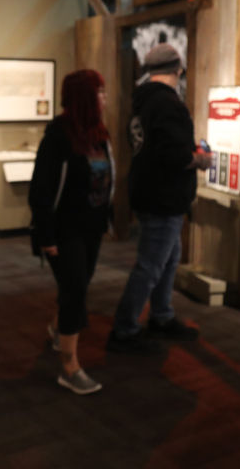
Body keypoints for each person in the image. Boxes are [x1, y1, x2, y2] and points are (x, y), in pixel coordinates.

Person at [107, 43, 212, 353]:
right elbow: (175, 155)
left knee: (167, 259)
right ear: (177, 70)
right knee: (152, 264)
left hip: (147, 190)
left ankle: (161, 315)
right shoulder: (168, 105)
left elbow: (149, 148)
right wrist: (201, 159)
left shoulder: (141, 102)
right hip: (164, 196)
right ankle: (125, 327)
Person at [29, 69, 113, 395]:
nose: (104, 98)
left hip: (91, 228)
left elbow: (107, 179)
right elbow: (41, 190)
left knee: (77, 285)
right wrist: (47, 236)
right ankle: (69, 366)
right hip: (64, 230)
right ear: (84, 97)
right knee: (75, 290)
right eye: (99, 92)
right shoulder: (58, 136)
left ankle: (56, 327)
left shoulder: (98, 133)